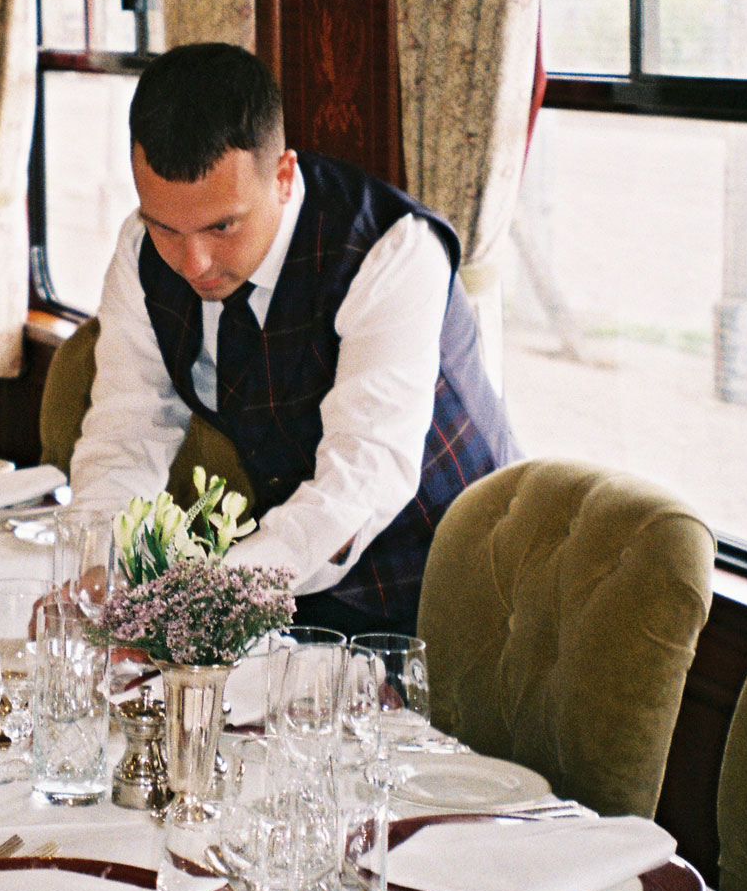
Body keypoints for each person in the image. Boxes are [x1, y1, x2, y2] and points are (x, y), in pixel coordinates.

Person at [68, 42, 519, 637]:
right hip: (300, 590)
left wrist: (215, 596)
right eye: (166, 228)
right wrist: (100, 568)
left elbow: (363, 473)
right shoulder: (139, 249)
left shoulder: (391, 251)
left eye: (222, 226)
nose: (193, 261)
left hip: (459, 592)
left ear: (282, 176)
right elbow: (128, 429)